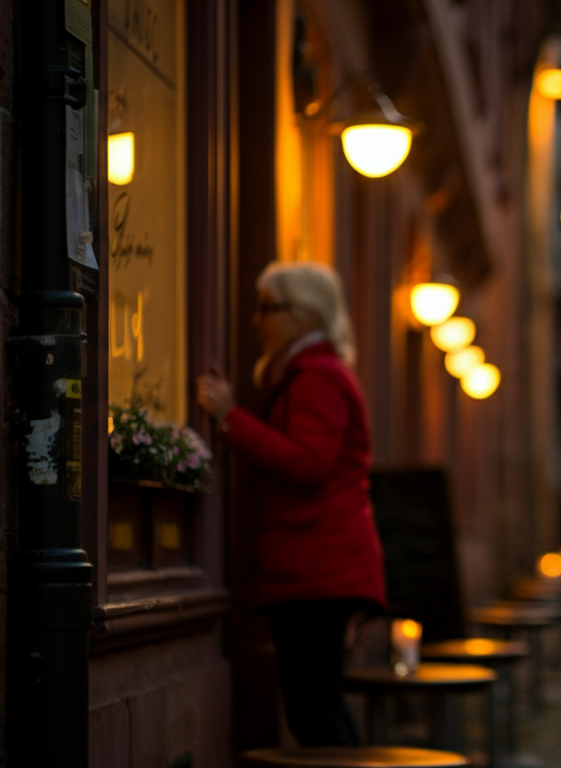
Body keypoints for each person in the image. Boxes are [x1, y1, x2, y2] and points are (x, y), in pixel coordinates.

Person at [196, 261, 386, 746]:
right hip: (314, 568)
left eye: (267, 308)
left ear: (304, 316)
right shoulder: (306, 373)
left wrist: (229, 418)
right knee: (315, 709)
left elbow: (308, 464)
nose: (256, 321)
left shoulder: (317, 377)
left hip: (318, 569)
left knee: (315, 712)